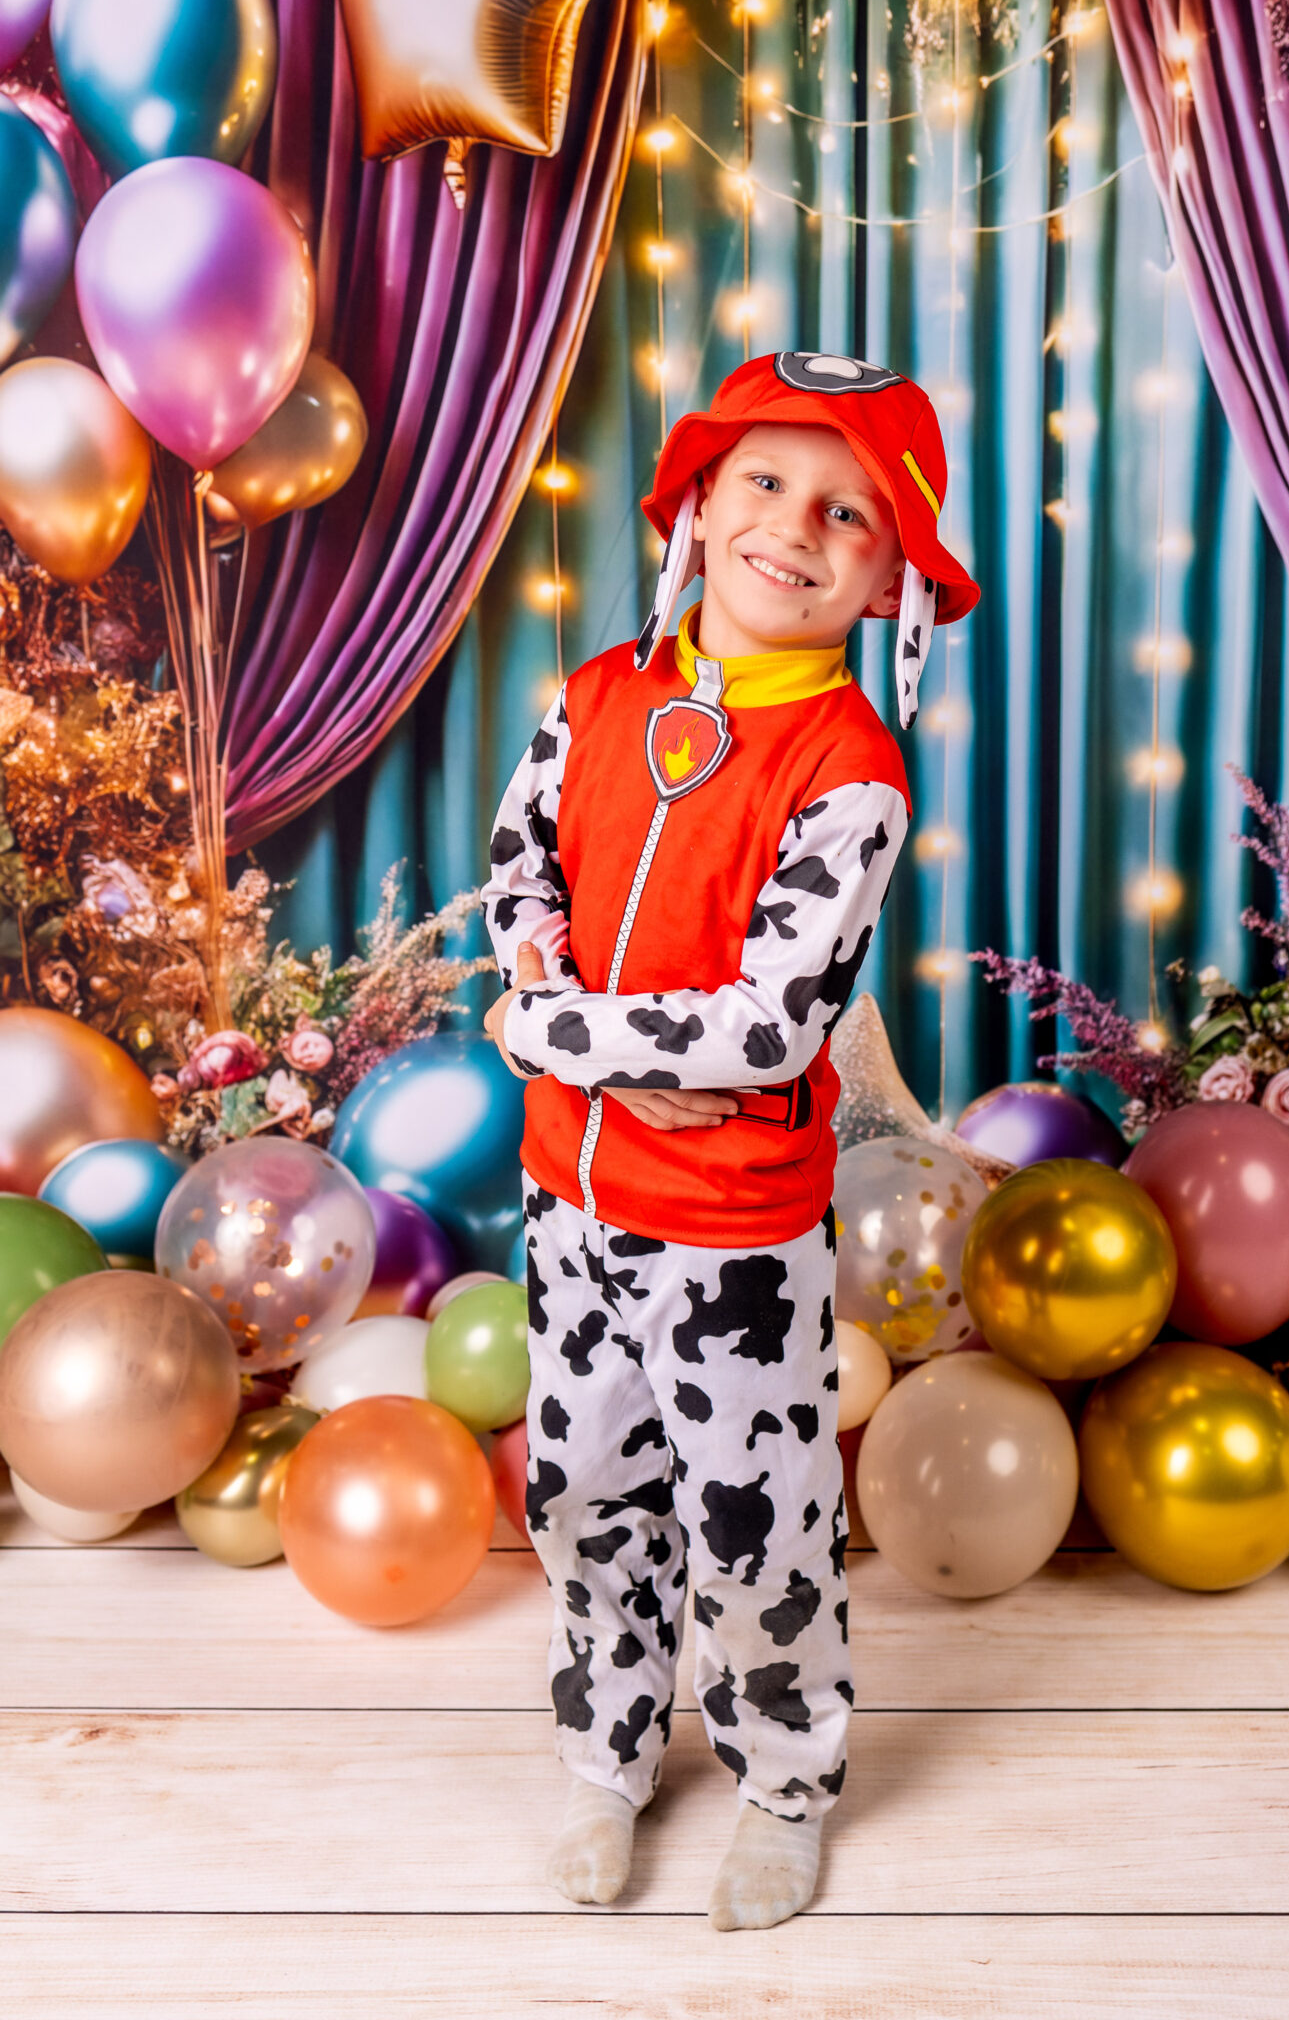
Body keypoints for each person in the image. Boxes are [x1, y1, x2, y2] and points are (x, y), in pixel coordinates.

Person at [481, 351, 979, 1931]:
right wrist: (571, 1011)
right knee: (581, 1491)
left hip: (735, 1233)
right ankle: (607, 1753)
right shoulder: (594, 698)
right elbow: (520, 876)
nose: (793, 527)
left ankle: (784, 1782)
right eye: (763, 481)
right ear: (696, 504)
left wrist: (545, 1036)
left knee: (753, 1528)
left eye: (848, 512)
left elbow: (767, 1028)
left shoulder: (852, 774)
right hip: (571, 1205)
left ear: (891, 583)